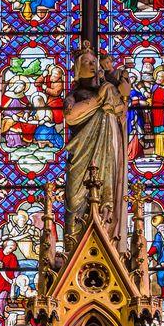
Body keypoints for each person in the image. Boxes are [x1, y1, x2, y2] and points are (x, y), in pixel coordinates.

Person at [63, 41, 129, 251]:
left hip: (107, 154)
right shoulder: (75, 95)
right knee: (75, 201)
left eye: (94, 62)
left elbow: (121, 112)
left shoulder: (107, 90)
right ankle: (73, 247)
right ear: (77, 69)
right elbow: (70, 116)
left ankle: (109, 237)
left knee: (106, 196)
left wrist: (120, 93)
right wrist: (101, 98)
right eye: (87, 62)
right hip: (82, 156)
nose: (92, 66)